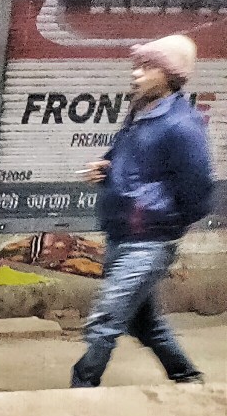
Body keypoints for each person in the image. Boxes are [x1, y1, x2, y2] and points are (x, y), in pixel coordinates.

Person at [70, 33, 213, 389]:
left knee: (105, 320)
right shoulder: (139, 113)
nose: (136, 74)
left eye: (147, 67)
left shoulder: (181, 125)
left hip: (149, 242)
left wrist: (165, 224)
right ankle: (187, 378)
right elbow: (125, 163)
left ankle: (80, 391)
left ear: (170, 74)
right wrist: (105, 169)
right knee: (144, 322)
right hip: (122, 235)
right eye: (137, 66)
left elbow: (197, 189)